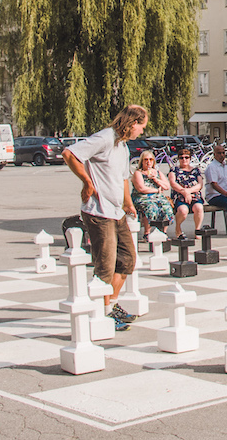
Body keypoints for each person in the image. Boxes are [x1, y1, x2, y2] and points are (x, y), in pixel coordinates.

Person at [63, 104, 148, 330]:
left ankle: (111, 304)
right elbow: (69, 154)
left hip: (116, 211)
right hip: (98, 212)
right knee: (106, 266)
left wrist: (128, 204)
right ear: (131, 123)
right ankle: (103, 314)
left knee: (128, 259)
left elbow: (122, 179)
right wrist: (87, 181)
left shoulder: (123, 146)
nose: (142, 132)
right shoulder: (105, 138)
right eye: (141, 127)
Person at [167, 148, 206, 239]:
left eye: (186, 157)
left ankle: (197, 229)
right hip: (180, 196)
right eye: (181, 158)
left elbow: (200, 184)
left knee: (199, 208)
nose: (184, 159)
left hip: (194, 196)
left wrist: (188, 191)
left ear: (190, 158)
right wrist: (184, 193)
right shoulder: (174, 170)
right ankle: (178, 228)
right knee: (183, 211)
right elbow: (173, 183)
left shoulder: (195, 170)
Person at [130, 151, 172, 233]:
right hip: (142, 197)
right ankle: (147, 232)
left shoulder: (157, 172)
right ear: (142, 161)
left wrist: (155, 179)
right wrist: (157, 190)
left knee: (167, 207)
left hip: (157, 197)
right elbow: (141, 188)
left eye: (150, 159)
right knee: (151, 207)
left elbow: (166, 186)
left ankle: (163, 231)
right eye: (145, 159)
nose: (148, 162)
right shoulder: (138, 173)